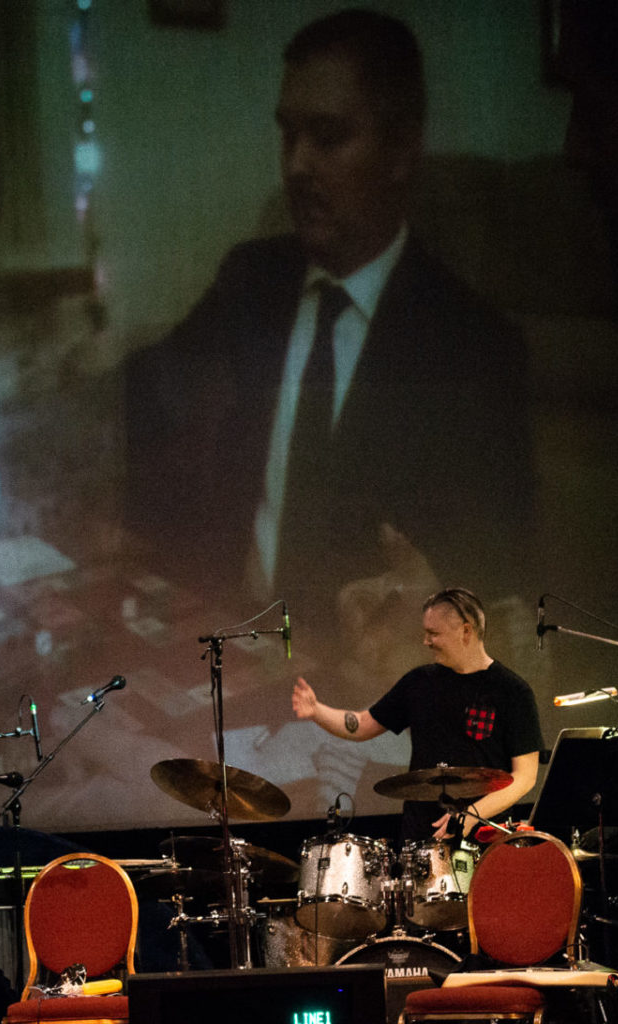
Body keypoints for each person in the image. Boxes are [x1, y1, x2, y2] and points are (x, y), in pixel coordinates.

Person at [125, 9, 534, 665]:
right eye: (288, 136)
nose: (296, 166)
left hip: (360, 686)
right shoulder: (251, 280)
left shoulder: (473, 347)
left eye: (329, 137)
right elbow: (141, 393)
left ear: (401, 150)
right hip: (224, 646)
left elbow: (496, 581)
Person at [292, 587, 541, 844]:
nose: (426, 641)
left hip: (486, 838)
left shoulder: (512, 691)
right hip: (422, 840)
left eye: (434, 633)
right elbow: (363, 725)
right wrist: (316, 711)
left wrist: (470, 817)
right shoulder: (419, 682)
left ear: (466, 631)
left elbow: (525, 776)